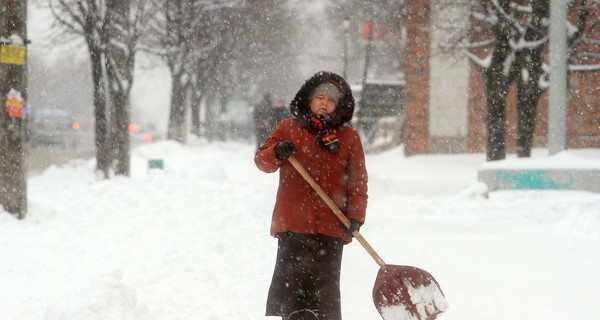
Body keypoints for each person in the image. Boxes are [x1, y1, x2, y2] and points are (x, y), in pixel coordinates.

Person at [254, 71, 368, 320]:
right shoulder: (288, 128)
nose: (325, 103)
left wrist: (355, 217)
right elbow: (262, 161)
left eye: (331, 99)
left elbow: (358, 182)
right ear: (309, 100)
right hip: (294, 224)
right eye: (320, 98)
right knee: (291, 293)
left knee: (324, 295)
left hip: (332, 225)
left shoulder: (348, 138)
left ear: (338, 106)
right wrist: (277, 151)